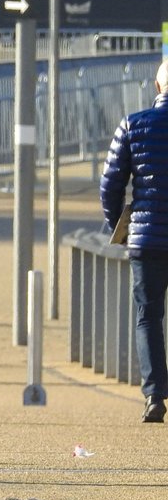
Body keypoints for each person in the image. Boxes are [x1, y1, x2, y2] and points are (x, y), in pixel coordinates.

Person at [100, 59, 168, 424]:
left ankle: (155, 395)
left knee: (149, 317)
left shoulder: (134, 123)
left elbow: (110, 185)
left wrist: (120, 227)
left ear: (157, 88)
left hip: (146, 240)